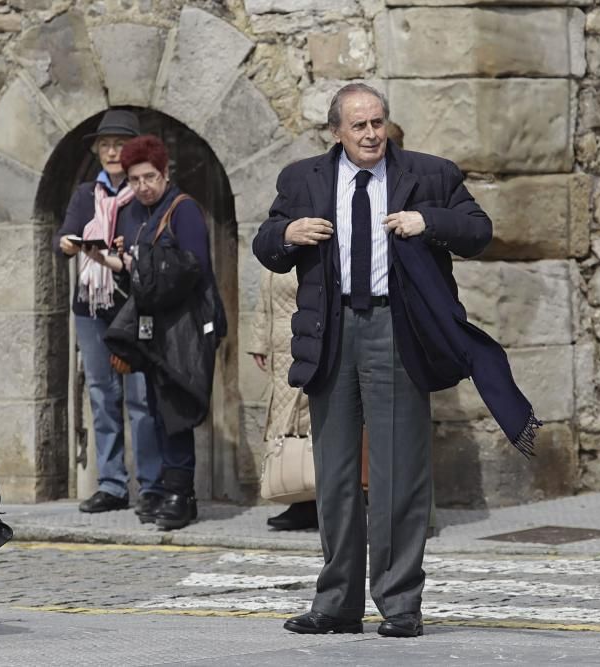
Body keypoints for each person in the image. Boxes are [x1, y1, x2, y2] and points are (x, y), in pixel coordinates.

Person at [252, 83, 494, 638]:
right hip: (331, 331)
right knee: (334, 478)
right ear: (336, 130)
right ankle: (336, 603)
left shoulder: (428, 174)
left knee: (398, 475)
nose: (370, 135)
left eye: (378, 123)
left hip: (395, 330)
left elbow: (479, 231)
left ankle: (400, 601)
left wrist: (426, 222)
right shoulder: (302, 178)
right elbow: (267, 242)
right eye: (359, 125)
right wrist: (288, 233)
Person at [105, 134, 223, 531]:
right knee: (157, 410)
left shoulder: (182, 209)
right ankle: (168, 490)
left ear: (165, 172)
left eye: (150, 177)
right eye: (135, 179)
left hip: (185, 327)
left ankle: (180, 493)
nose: (142, 186)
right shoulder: (140, 214)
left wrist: (143, 265)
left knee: (176, 409)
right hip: (157, 328)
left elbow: (195, 268)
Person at [52, 110, 165, 521]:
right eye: (106, 145)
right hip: (91, 306)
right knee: (102, 396)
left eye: (120, 144)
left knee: (140, 398)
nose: (113, 151)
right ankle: (112, 484)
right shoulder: (86, 194)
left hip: (132, 307)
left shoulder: (145, 193)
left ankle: (151, 485)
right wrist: (68, 243)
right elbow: (62, 235)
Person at [247, 268, 371, 531]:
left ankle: (337, 502)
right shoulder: (279, 238)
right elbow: (266, 298)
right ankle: (304, 501)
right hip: (280, 352)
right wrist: (259, 342)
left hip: (307, 345)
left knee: (318, 423)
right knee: (290, 428)